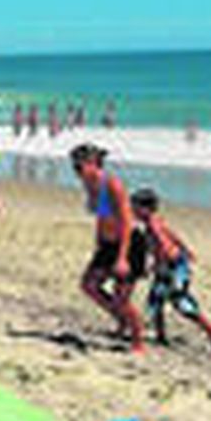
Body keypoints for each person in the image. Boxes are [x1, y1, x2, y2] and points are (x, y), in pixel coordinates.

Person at [70, 144, 146, 351]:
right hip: (108, 244)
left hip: (129, 244)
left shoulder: (112, 185)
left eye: (79, 167)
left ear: (93, 163)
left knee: (122, 298)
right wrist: (98, 242)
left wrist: (122, 258)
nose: (76, 171)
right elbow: (102, 217)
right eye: (74, 167)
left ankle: (138, 340)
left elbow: (127, 222)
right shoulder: (89, 183)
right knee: (89, 285)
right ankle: (122, 320)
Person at [130, 189, 211, 351]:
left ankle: (210, 330)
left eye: (135, 207)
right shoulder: (155, 222)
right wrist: (184, 249)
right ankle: (161, 336)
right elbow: (173, 236)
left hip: (173, 267)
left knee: (181, 303)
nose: (132, 210)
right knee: (155, 301)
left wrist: (162, 264)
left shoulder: (152, 225)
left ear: (146, 208)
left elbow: (164, 245)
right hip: (170, 265)